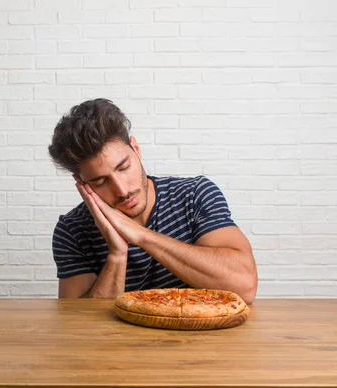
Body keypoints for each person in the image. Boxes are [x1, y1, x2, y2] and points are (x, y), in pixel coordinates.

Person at [48, 98, 258, 303]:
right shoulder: (72, 229)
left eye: (124, 167)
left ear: (136, 149)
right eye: (101, 181)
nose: (122, 190)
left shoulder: (194, 195)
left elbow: (245, 286)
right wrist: (117, 254)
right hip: (118, 339)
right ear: (82, 183)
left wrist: (142, 236)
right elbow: (78, 325)